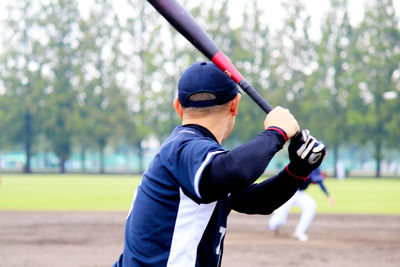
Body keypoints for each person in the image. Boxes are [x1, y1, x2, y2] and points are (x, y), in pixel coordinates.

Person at [113, 62, 326, 266]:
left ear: (178, 106)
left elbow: (256, 200)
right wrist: (276, 133)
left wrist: (298, 170)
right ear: (235, 104)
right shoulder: (185, 148)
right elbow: (234, 170)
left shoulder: (190, 155)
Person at [268, 165, 334, 242]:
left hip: (298, 193)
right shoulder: (309, 163)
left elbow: (317, 180)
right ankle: (274, 224)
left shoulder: (315, 166)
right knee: (278, 219)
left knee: (311, 206)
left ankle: (299, 232)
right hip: (287, 191)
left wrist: (328, 195)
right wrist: (328, 195)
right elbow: (318, 180)